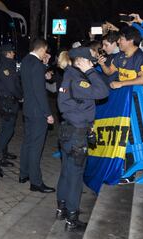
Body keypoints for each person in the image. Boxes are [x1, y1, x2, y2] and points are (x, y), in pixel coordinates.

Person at [56, 47, 109, 232]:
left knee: (66, 172)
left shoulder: (67, 76)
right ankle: (72, 218)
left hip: (66, 130)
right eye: (90, 61)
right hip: (77, 133)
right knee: (75, 177)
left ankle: (61, 208)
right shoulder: (78, 80)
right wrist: (90, 71)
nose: (93, 63)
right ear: (81, 61)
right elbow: (103, 91)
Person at [19, 38, 55, 193]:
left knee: (27, 142)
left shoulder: (26, 60)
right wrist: (48, 114)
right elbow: (40, 92)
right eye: (45, 51)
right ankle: (36, 182)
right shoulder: (37, 65)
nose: (46, 54)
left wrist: (44, 65)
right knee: (36, 147)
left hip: (27, 109)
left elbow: (31, 81)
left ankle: (24, 174)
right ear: (42, 49)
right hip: (37, 112)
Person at [0, 43, 23, 167]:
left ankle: (3, 152)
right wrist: (21, 96)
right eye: (12, 52)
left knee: (7, 128)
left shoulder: (10, 65)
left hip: (10, 101)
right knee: (8, 130)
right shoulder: (5, 67)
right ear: (7, 53)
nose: (14, 53)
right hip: (8, 102)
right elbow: (12, 86)